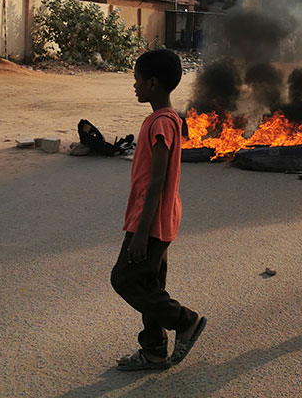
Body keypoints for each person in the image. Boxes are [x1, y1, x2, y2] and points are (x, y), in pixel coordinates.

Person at [110, 48, 206, 370]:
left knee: (124, 279)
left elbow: (157, 180)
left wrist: (140, 232)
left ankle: (185, 321)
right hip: (158, 217)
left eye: (137, 79)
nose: (134, 85)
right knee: (149, 285)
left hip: (151, 221)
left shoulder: (162, 123)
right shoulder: (167, 119)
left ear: (152, 83)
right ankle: (153, 349)